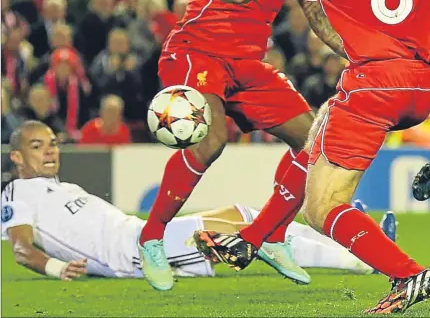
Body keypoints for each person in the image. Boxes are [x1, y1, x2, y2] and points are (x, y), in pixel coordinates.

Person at [182, 0, 430, 314]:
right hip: (424, 83)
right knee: (314, 138)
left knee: (324, 208)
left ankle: (410, 276)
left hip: (375, 85)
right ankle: (255, 239)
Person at [68, 0, 317, 291]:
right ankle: (150, 238)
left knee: (313, 142)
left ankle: (272, 235)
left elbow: (316, 10)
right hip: (196, 50)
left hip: (249, 64)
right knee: (212, 139)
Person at [2, 121, 378, 282]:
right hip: (131, 253)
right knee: (249, 231)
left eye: (51, 142)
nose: (49, 150)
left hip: (138, 236)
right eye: (37, 146)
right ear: (16, 156)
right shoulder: (17, 193)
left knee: (247, 217)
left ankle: (353, 247)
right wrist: (55, 268)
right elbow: (20, 248)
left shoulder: (62, 186)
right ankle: (364, 261)